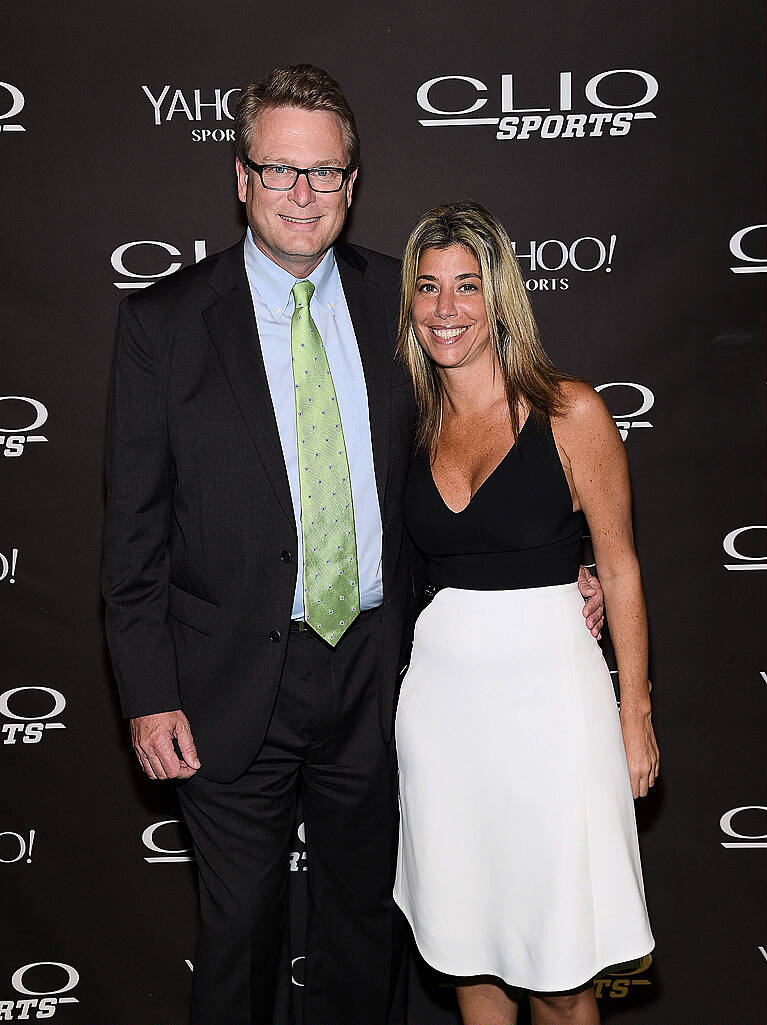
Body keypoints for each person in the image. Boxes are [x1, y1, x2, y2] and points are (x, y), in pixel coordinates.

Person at [102, 66, 605, 1025]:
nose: (303, 195)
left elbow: (497, 444)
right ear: (240, 177)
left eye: (325, 174)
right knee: (238, 934)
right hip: (224, 679)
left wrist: (560, 560)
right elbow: (131, 530)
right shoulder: (162, 325)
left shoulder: (404, 305)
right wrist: (148, 690)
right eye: (281, 171)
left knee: (365, 934)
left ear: (353, 183)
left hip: (384, 671)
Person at [393, 202, 658, 1025]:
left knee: (561, 969)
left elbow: (616, 565)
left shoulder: (570, 410)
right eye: (428, 288)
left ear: (501, 297)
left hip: (552, 712)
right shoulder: (405, 423)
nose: (446, 309)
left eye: (466, 286)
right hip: (441, 716)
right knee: (469, 949)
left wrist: (635, 713)